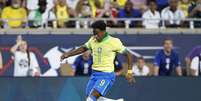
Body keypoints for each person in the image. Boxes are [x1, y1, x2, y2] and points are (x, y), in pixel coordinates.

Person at [61, 20, 134, 101]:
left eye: (97, 33)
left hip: (107, 76)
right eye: (93, 33)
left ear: (103, 31)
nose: (95, 36)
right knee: (94, 98)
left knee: (90, 99)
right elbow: (83, 48)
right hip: (94, 75)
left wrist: (129, 72)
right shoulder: (92, 40)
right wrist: (68, 54)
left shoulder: (114, 42)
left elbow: (129, 55)